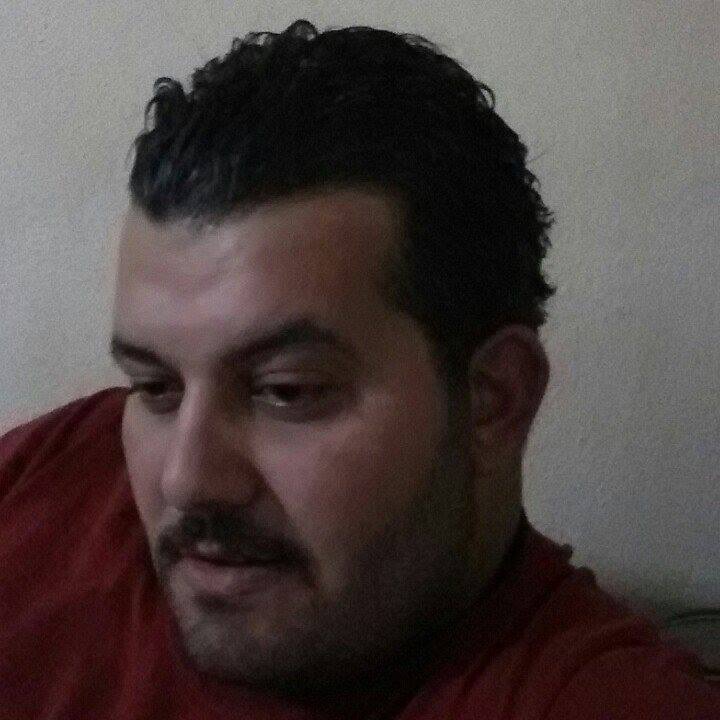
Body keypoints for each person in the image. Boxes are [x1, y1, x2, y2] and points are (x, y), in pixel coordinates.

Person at [0, 19, 717, 720]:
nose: (186, 480)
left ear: (493, 400)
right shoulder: (46, 477)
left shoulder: (597, 697)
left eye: (286, 391)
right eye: (156, 386)